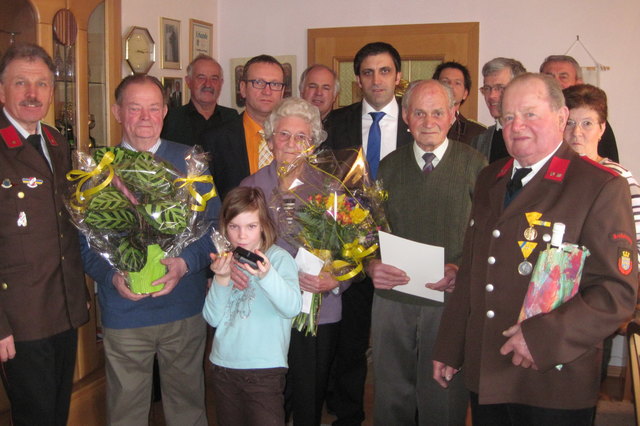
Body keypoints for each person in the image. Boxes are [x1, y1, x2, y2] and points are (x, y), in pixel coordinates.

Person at [433, 73, 637, 425]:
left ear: (561, 117)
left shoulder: (599, 185)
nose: (517, 125)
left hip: (552, 376)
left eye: (530, 114)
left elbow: (616, 292)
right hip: (489, 368)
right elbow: (472, 270)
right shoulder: (490, 178)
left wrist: (541, 338)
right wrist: (450, 346)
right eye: (508, 117)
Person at [81, 75, 219, 426]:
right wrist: (111, 276)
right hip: (125, 311)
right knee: (126, 411)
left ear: (165, 112)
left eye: (153, 107)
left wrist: (185, 264)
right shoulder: (97, 169)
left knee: (188, 408)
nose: (145, 116)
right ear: (116, 112)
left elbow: (214, 227)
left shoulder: (190, 163)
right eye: (134, 108)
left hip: (183, 308)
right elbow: (83, 244)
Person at [366, 80, 486, 425]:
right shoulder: (388, 167)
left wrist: (462, 270)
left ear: (453, 115)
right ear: (406, 116)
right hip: (393, 299)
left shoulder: (475, 165)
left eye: (437, 112)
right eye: (419, 112)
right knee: (390, 397)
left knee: (444, 395)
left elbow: (489, 235)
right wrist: (372, 264)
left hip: (449, 301)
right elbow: (371, 230)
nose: (428, 121)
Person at [321, 41, 413, 425]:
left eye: (385, 71)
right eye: (368, 72)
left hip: (405, 245)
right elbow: (322, 180)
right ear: (357, 80)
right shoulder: (335, 123)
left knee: (403, 344)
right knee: (350, 343)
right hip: (350, 247)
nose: (377, 80)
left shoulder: (415, 119)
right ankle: (348, 415)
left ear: (398, 76)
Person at [0, 42, 89, 426]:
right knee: (34, 416)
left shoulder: (55, 141)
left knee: (56, 412)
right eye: (21, 83)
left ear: (52, 91)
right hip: (20, 318)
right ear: (2, 89)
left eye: (42, 84)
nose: (33, 94)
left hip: (64, 307)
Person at [240, 97, 342, 426]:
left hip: (318, 308)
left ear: (312, 144)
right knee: (269, 396)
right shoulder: (251, 187)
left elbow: (352, 249)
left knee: (309, 395)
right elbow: (236, 247)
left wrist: (337, 278)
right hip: (265, 309)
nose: (291, 144)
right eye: (283, 135)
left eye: (301, 137)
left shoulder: (330, 188)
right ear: (269, 139)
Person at [204, 186, 301, 426]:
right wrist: (221, 279)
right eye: (234, 227)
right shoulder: (225, 260)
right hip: (224, 366)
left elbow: (291, 307)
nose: (242, 236)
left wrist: (266, 276)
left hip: (264, 370)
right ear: (224, 227)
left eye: (251, 226)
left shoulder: (278, 259)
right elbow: (212, 318)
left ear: (264, 226)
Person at [562, 83, 640, 380]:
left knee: (585, 383)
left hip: (596, 302)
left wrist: (620, 296)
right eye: (569, 123)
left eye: (586, 123)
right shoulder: (549, 175)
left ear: (602, 129)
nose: (576, 132)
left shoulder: (619, 179)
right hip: (550, 300)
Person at [201, 54, 285, 200]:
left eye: (275, 84)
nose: (267, 91)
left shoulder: (295, 138)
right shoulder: (215, 140)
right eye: (258, 82)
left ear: (283, 92)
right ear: (243, 88)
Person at [540, 54, 618, 161]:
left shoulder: (594, 121)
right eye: (549, 77)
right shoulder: (533, 120)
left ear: (579, 83)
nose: (556, 82)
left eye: (563, 77)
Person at [161, 54, 238, 146]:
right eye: (201, 77)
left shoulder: (231, 118)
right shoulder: (170, 119)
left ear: (221, 83)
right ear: (188, 81)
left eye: (214, 78)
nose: (208, 84)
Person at [471, 57, 526, 162]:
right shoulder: (479, 142)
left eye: (500, 88)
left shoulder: (534, 134)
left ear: (520, 88)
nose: (491, 95)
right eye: (487, 88)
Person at [432, 61, 486, 145]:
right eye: (445, 81)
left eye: (457, 83)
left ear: (465, 94)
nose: (451, 86)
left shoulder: (478, 133)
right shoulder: (418, 123)